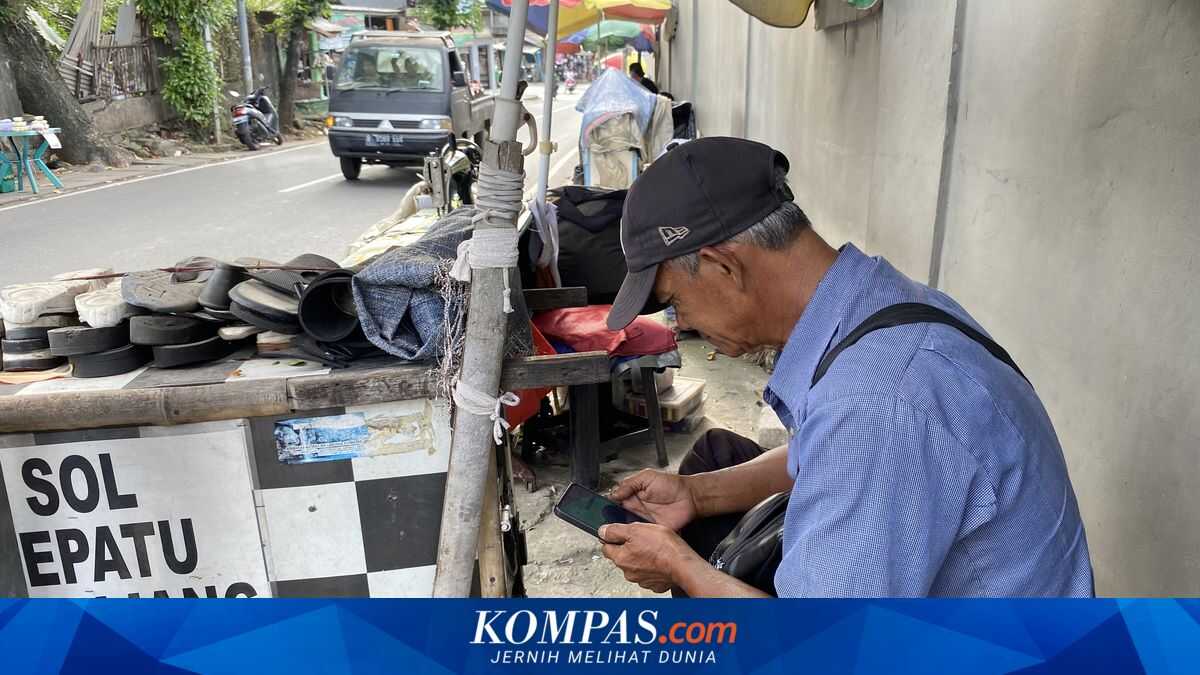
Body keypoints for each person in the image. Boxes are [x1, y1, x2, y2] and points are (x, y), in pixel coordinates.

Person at [598, 137, 1094, 598]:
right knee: (714, 460)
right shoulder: (885, 305)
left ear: (723, 266)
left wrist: (678, 565)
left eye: (674, 302)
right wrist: (696, 496)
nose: (682, 321)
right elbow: (823, 453)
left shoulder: (875, 400)